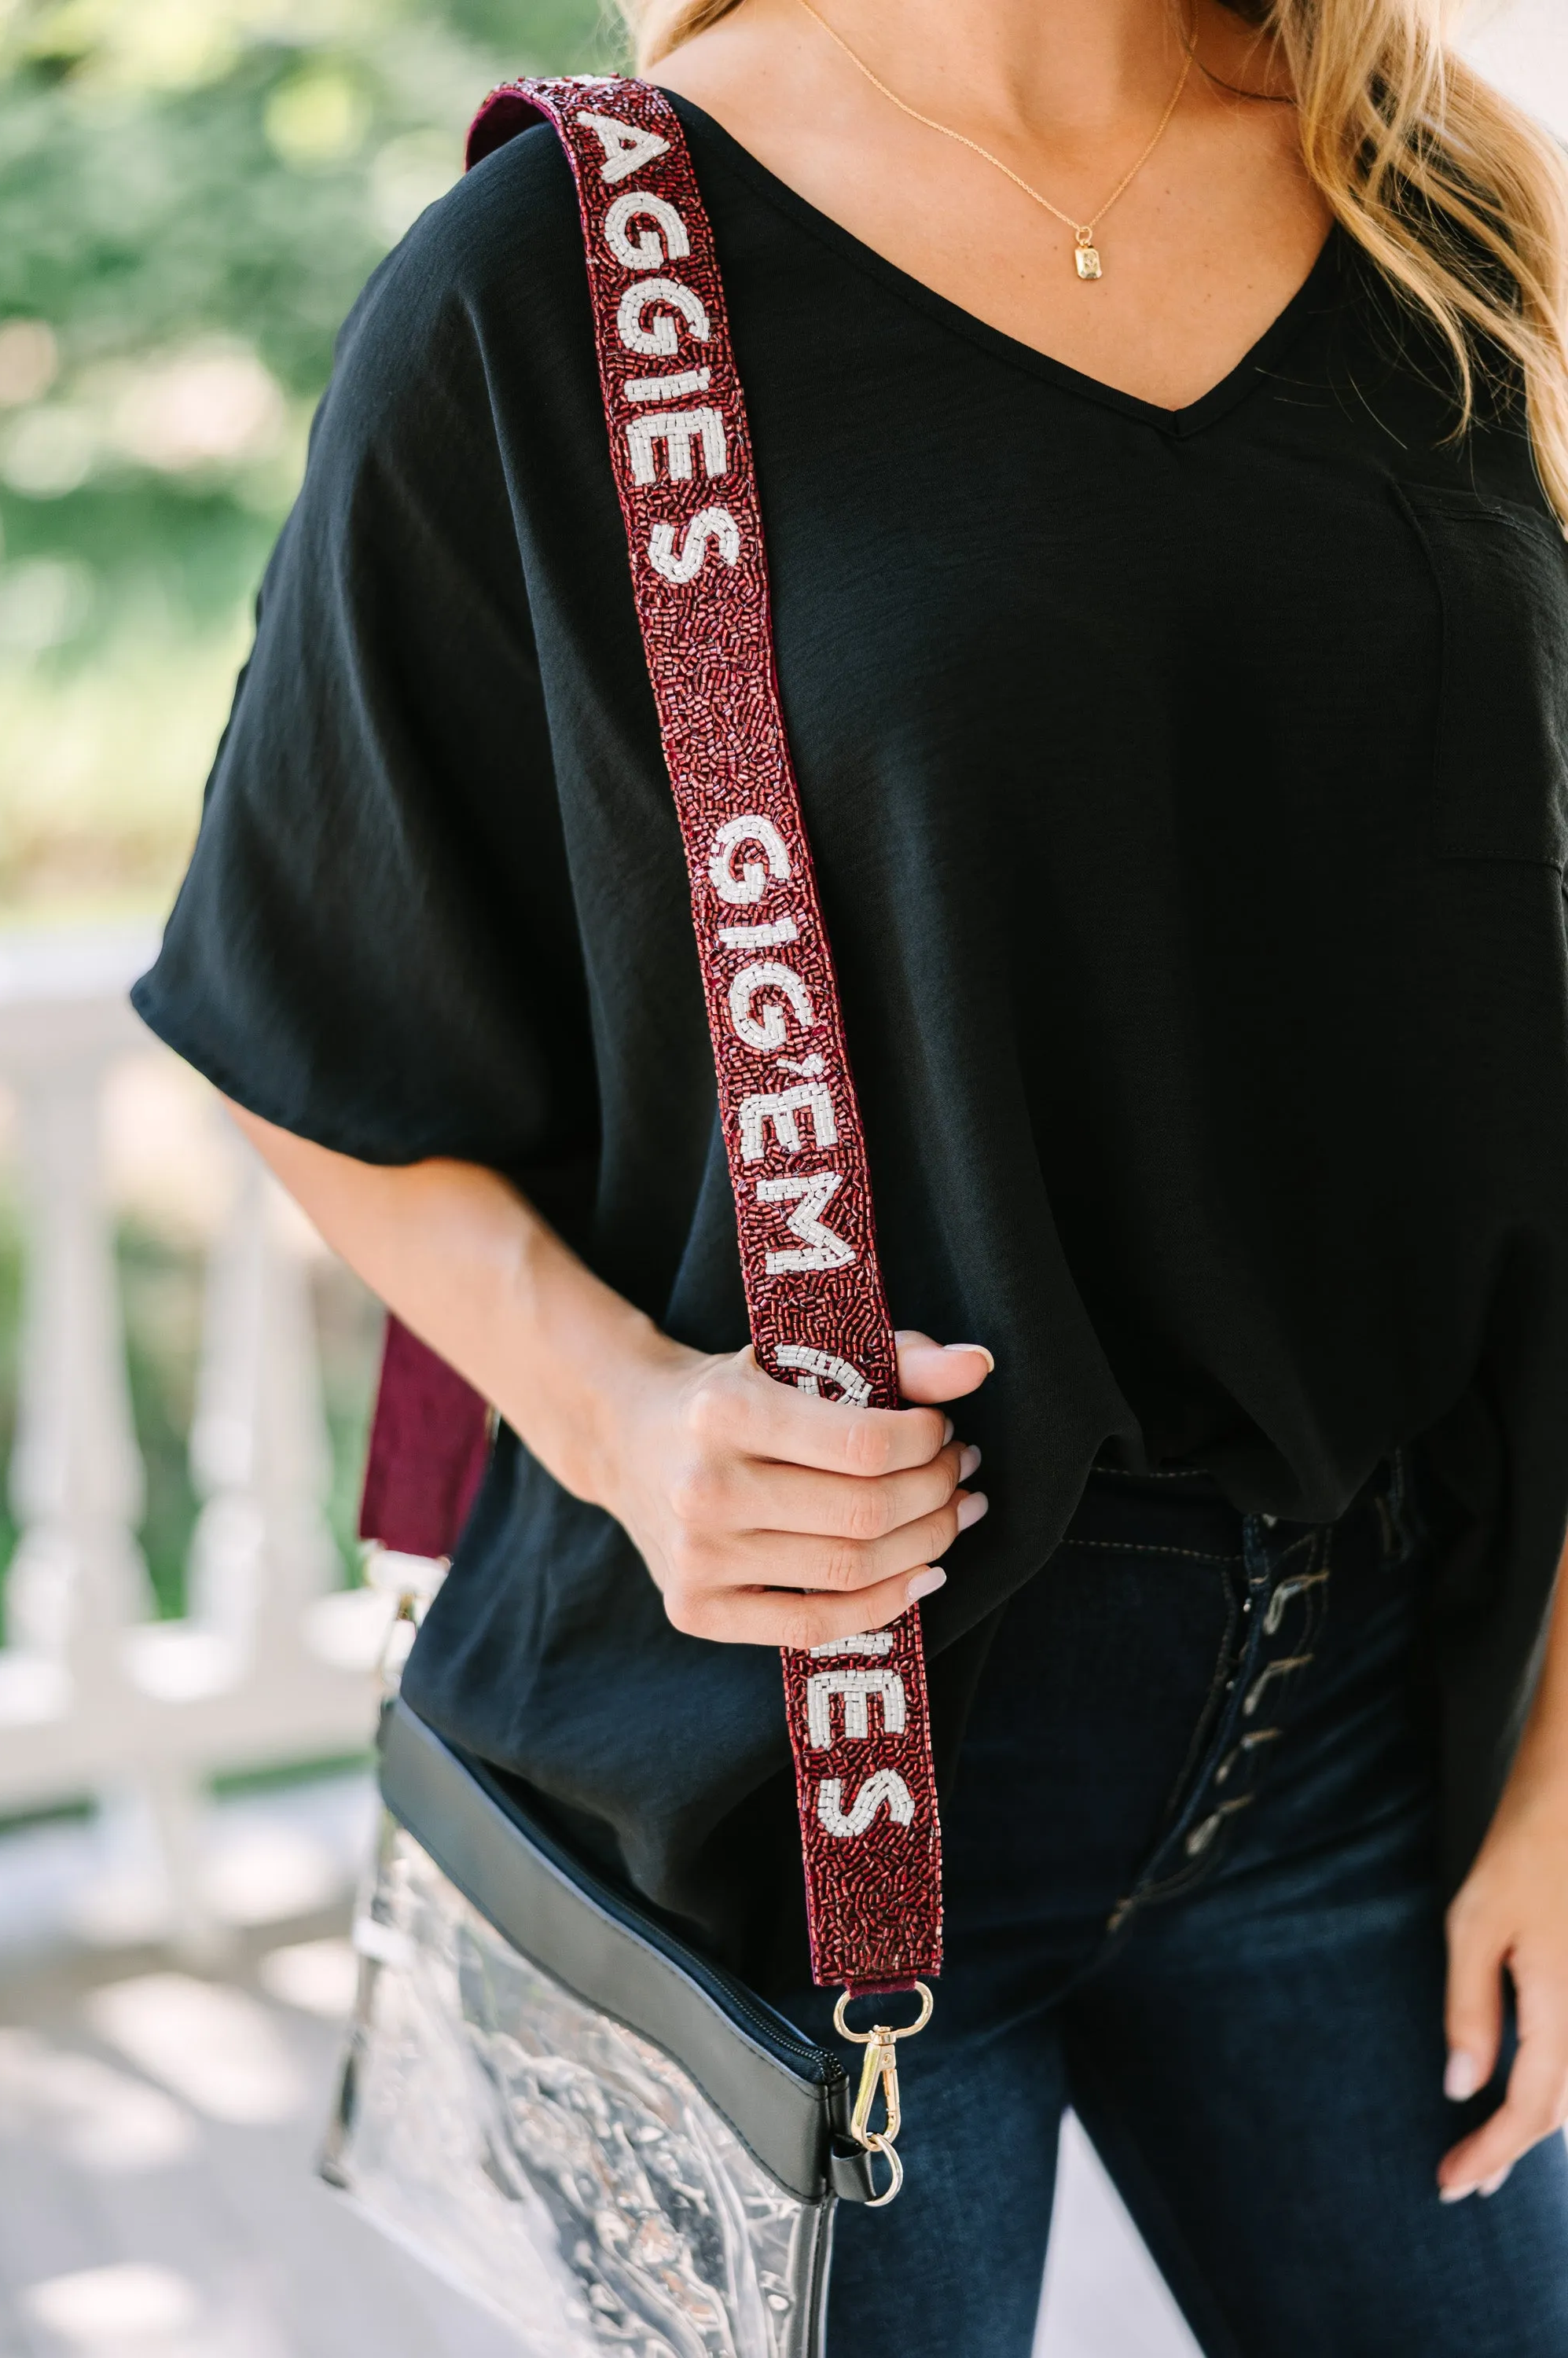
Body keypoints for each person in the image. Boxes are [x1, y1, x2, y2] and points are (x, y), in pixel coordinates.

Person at [133, 0, 1568, 2347]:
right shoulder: (556, 282)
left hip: (1375, 1733)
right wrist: (627, 1420)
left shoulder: (1443, 202)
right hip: (812, 1762)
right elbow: (303, 1000)